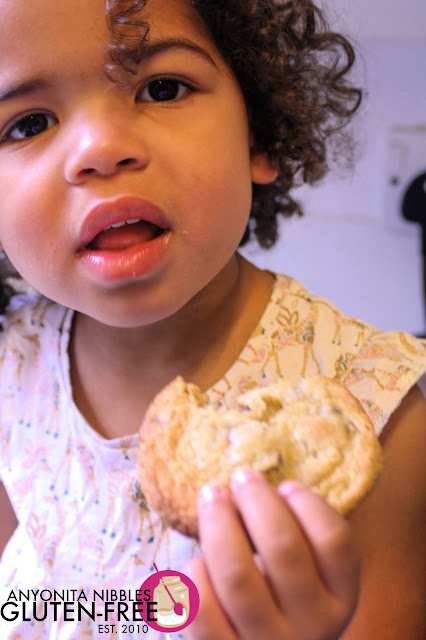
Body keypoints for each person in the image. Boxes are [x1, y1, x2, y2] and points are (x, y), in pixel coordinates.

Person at [0, 0, 424, 638]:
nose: (99, 150)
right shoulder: (11, 372)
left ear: (259, 131)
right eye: (29, 123)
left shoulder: (379, 417)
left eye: (162, 88)